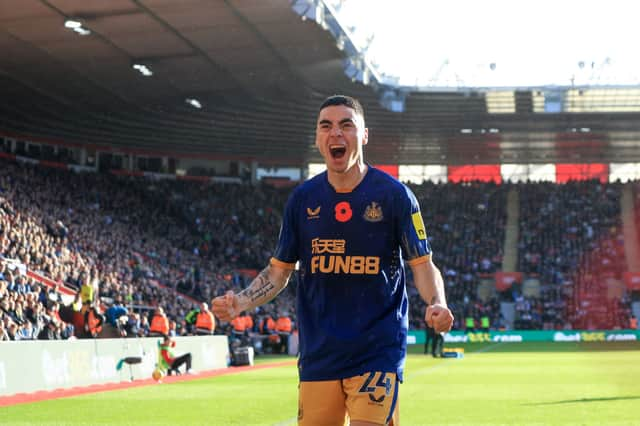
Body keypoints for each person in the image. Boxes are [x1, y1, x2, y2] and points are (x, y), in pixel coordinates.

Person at [212, 95, 454, 426]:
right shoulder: (302, 200)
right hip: (319, 353)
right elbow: (279, 272)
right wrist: (241, 301)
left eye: (346, 125)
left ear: (364, 135)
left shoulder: (395, 196)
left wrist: (437, 302)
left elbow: (422, 264)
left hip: (377, 349)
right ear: (317, 138)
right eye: (326, 126)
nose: (335, 133)